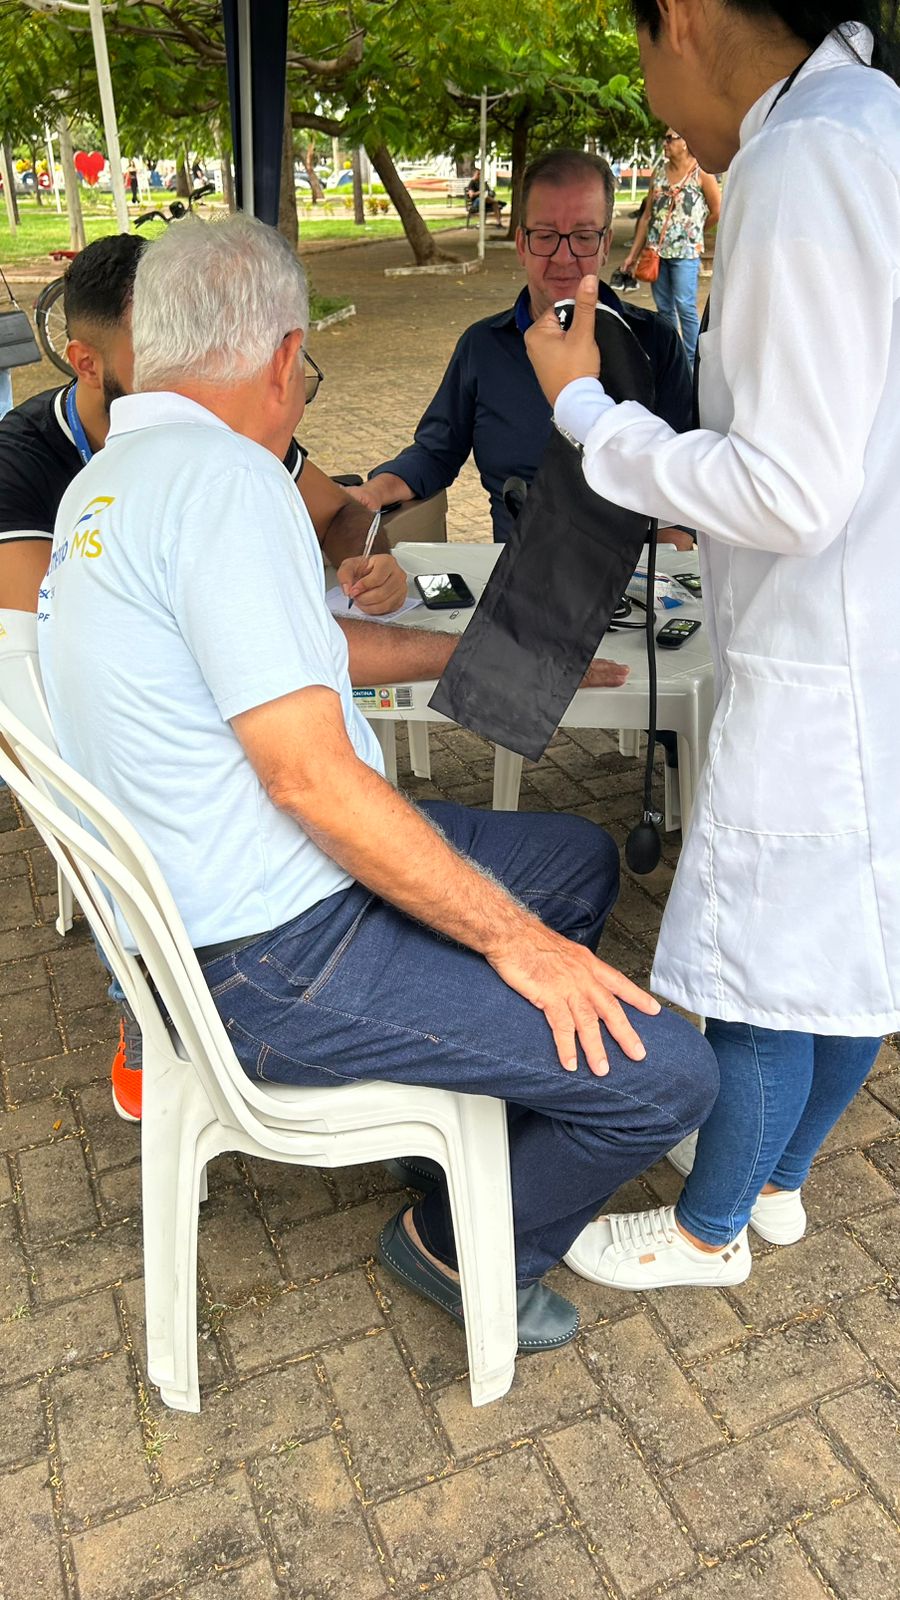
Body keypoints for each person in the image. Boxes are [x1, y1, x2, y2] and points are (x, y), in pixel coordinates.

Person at [37, 215, 717, 1351]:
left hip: (231, 918)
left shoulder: (109, 484)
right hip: (271, 958)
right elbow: (310, 781)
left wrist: (474, 650)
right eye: (307, 370)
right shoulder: (227, 483)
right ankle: (455, 1241)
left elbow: (303, 654)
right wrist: (517, 945)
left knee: (577, 859)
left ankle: (466, 1118)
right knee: (671, 1078)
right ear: (280, 357)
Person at [524, 5, 900, 1291]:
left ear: (682, 16)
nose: (651, 88)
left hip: (820, 644)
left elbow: (788, 488)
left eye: (640, 51)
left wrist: (585, 409)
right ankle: (775, 1179)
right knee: (846, 938)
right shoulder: (872, 123)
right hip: (864, 629)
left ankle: (708, 1227)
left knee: (761, 960)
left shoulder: (803, 157)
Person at [0, 231, 408, 1118]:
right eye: (159, 348)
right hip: (98, 746)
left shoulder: (211, 433)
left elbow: (341, 514)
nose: (186, 368)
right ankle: (145, 989)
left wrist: (369, 554)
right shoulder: (25, 459)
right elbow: (48, 653)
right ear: (87, 362)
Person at [350, 149, 695, 544]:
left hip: (631, 571)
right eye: (545, 236)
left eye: (583, 237)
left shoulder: (656, 343)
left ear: (605, 245)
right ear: (521, 244)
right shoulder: (482, 347)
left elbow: (686, 482)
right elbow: (434, 452)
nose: (563, 257)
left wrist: (669, 557)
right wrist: (373, 492)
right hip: (514, 570)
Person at [623, 131, 720, 364]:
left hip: (685, 254)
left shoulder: (701, 173)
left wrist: (695, 232)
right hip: (656, 253)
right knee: (664, 309)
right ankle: (671, 358)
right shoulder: (658, 174)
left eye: (670, 138)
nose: (664, 143)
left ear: (685, 141)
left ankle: (692, 361)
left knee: (685, 306)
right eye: (664, 138)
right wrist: (632, 255)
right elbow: (647, 216)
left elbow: (717, 210)